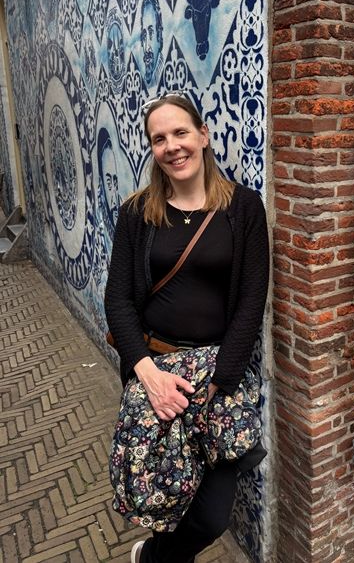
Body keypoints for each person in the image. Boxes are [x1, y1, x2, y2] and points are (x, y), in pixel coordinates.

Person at [104, 94, 269, 563]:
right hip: (156, 371)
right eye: (159, 139)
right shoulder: (137, 213)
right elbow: (118, 299)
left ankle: (151, 558)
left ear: (203, 135)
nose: (172, 146)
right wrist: (148, 375)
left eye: (180, 132)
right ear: (152, 149)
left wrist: (220, 382)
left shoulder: (244, 208)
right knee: (164, 497)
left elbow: (251, 300)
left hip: (218, 375)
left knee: (211, 516)